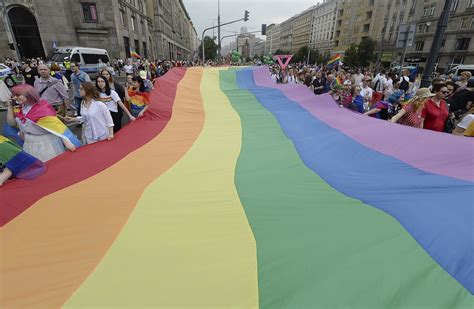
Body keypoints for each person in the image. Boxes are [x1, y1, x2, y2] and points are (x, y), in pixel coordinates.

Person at [6, 84, 77, 162]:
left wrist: (68, 143)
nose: (15, 97)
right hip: (29, 143)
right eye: (14, 95)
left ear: (29, 95)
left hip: (46, 144)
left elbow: (57, 127)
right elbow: (11, 123)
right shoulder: (20, 108)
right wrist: (9, 106)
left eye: (18, 95)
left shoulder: (42, 109)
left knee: (50, 167)